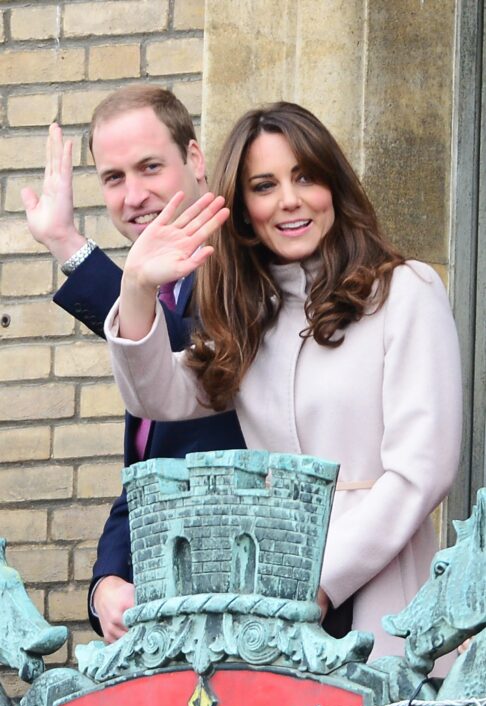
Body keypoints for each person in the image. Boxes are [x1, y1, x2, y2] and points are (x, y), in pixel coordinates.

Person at [103, 101, 463, 661]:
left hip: (376, 581)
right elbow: (157, 395)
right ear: (244, 209)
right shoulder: (254, 315)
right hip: (272, 604)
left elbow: (422, 469)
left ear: (334, 186)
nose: (289, 200)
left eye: (305, 177)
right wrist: (137, 287)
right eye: (264, 185)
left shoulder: (406, 292)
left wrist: (317, 578)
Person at [21, 85, 246, 643]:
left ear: (195, 159)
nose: (134, 195)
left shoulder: (247, 261)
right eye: (114, 178)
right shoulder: (159, 287)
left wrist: (73, 248)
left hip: (243, 598)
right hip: (166, 612)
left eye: (151, 167)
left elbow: (194, 363)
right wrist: (107, 586)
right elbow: (147, 464)